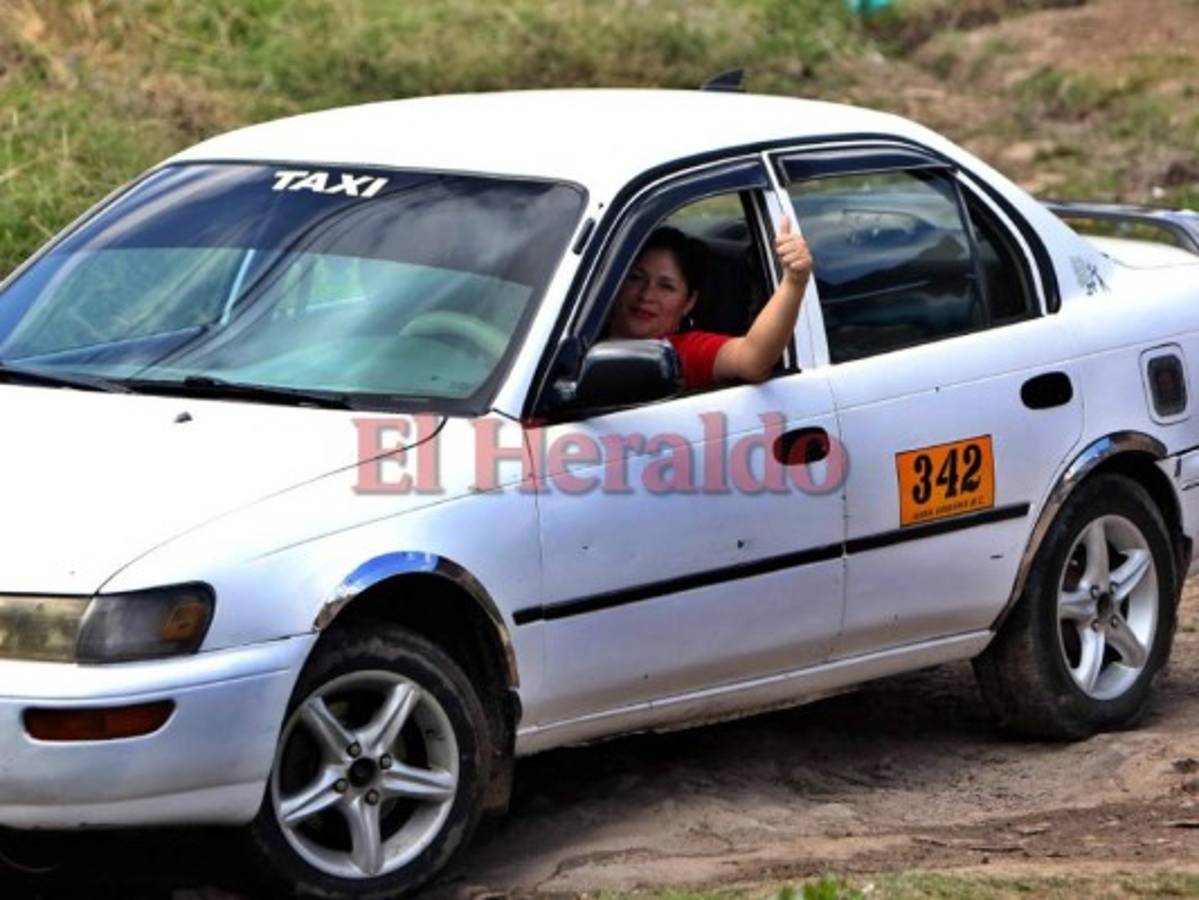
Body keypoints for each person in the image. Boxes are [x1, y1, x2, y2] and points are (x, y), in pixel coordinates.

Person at [606, 217, 813, 389]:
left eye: (666, 287)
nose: (646, 295)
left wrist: (794, 282)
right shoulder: (577, 324)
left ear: (689, 302)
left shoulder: (684, 352)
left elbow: (753, 360)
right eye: (635, 277)